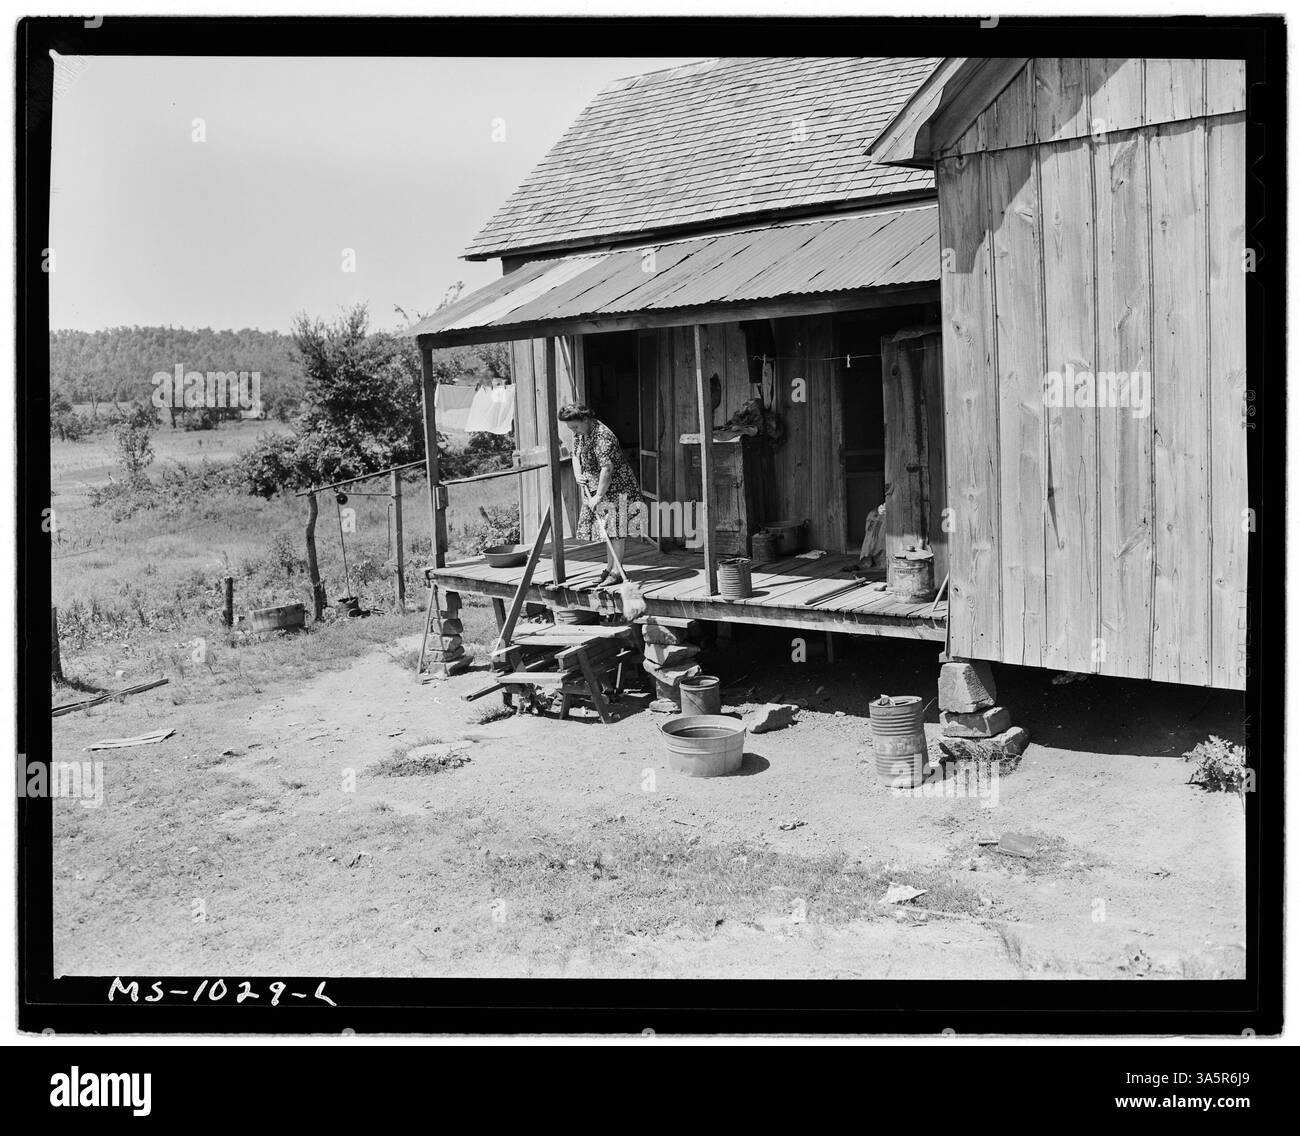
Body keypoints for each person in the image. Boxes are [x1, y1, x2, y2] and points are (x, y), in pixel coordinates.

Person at [557, 403, 646, 589]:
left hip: (617, 487)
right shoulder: (580, 432)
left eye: (575, 426)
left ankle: (617, 572)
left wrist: (597, 496)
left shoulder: (603, 436)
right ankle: (609, 568)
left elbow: (607, 469)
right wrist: (577, 474)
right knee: (608, 531)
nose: (573, 430)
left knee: (617, 530)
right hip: (598, 488)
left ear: (586, 419)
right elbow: (575, 454)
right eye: (570, 427)